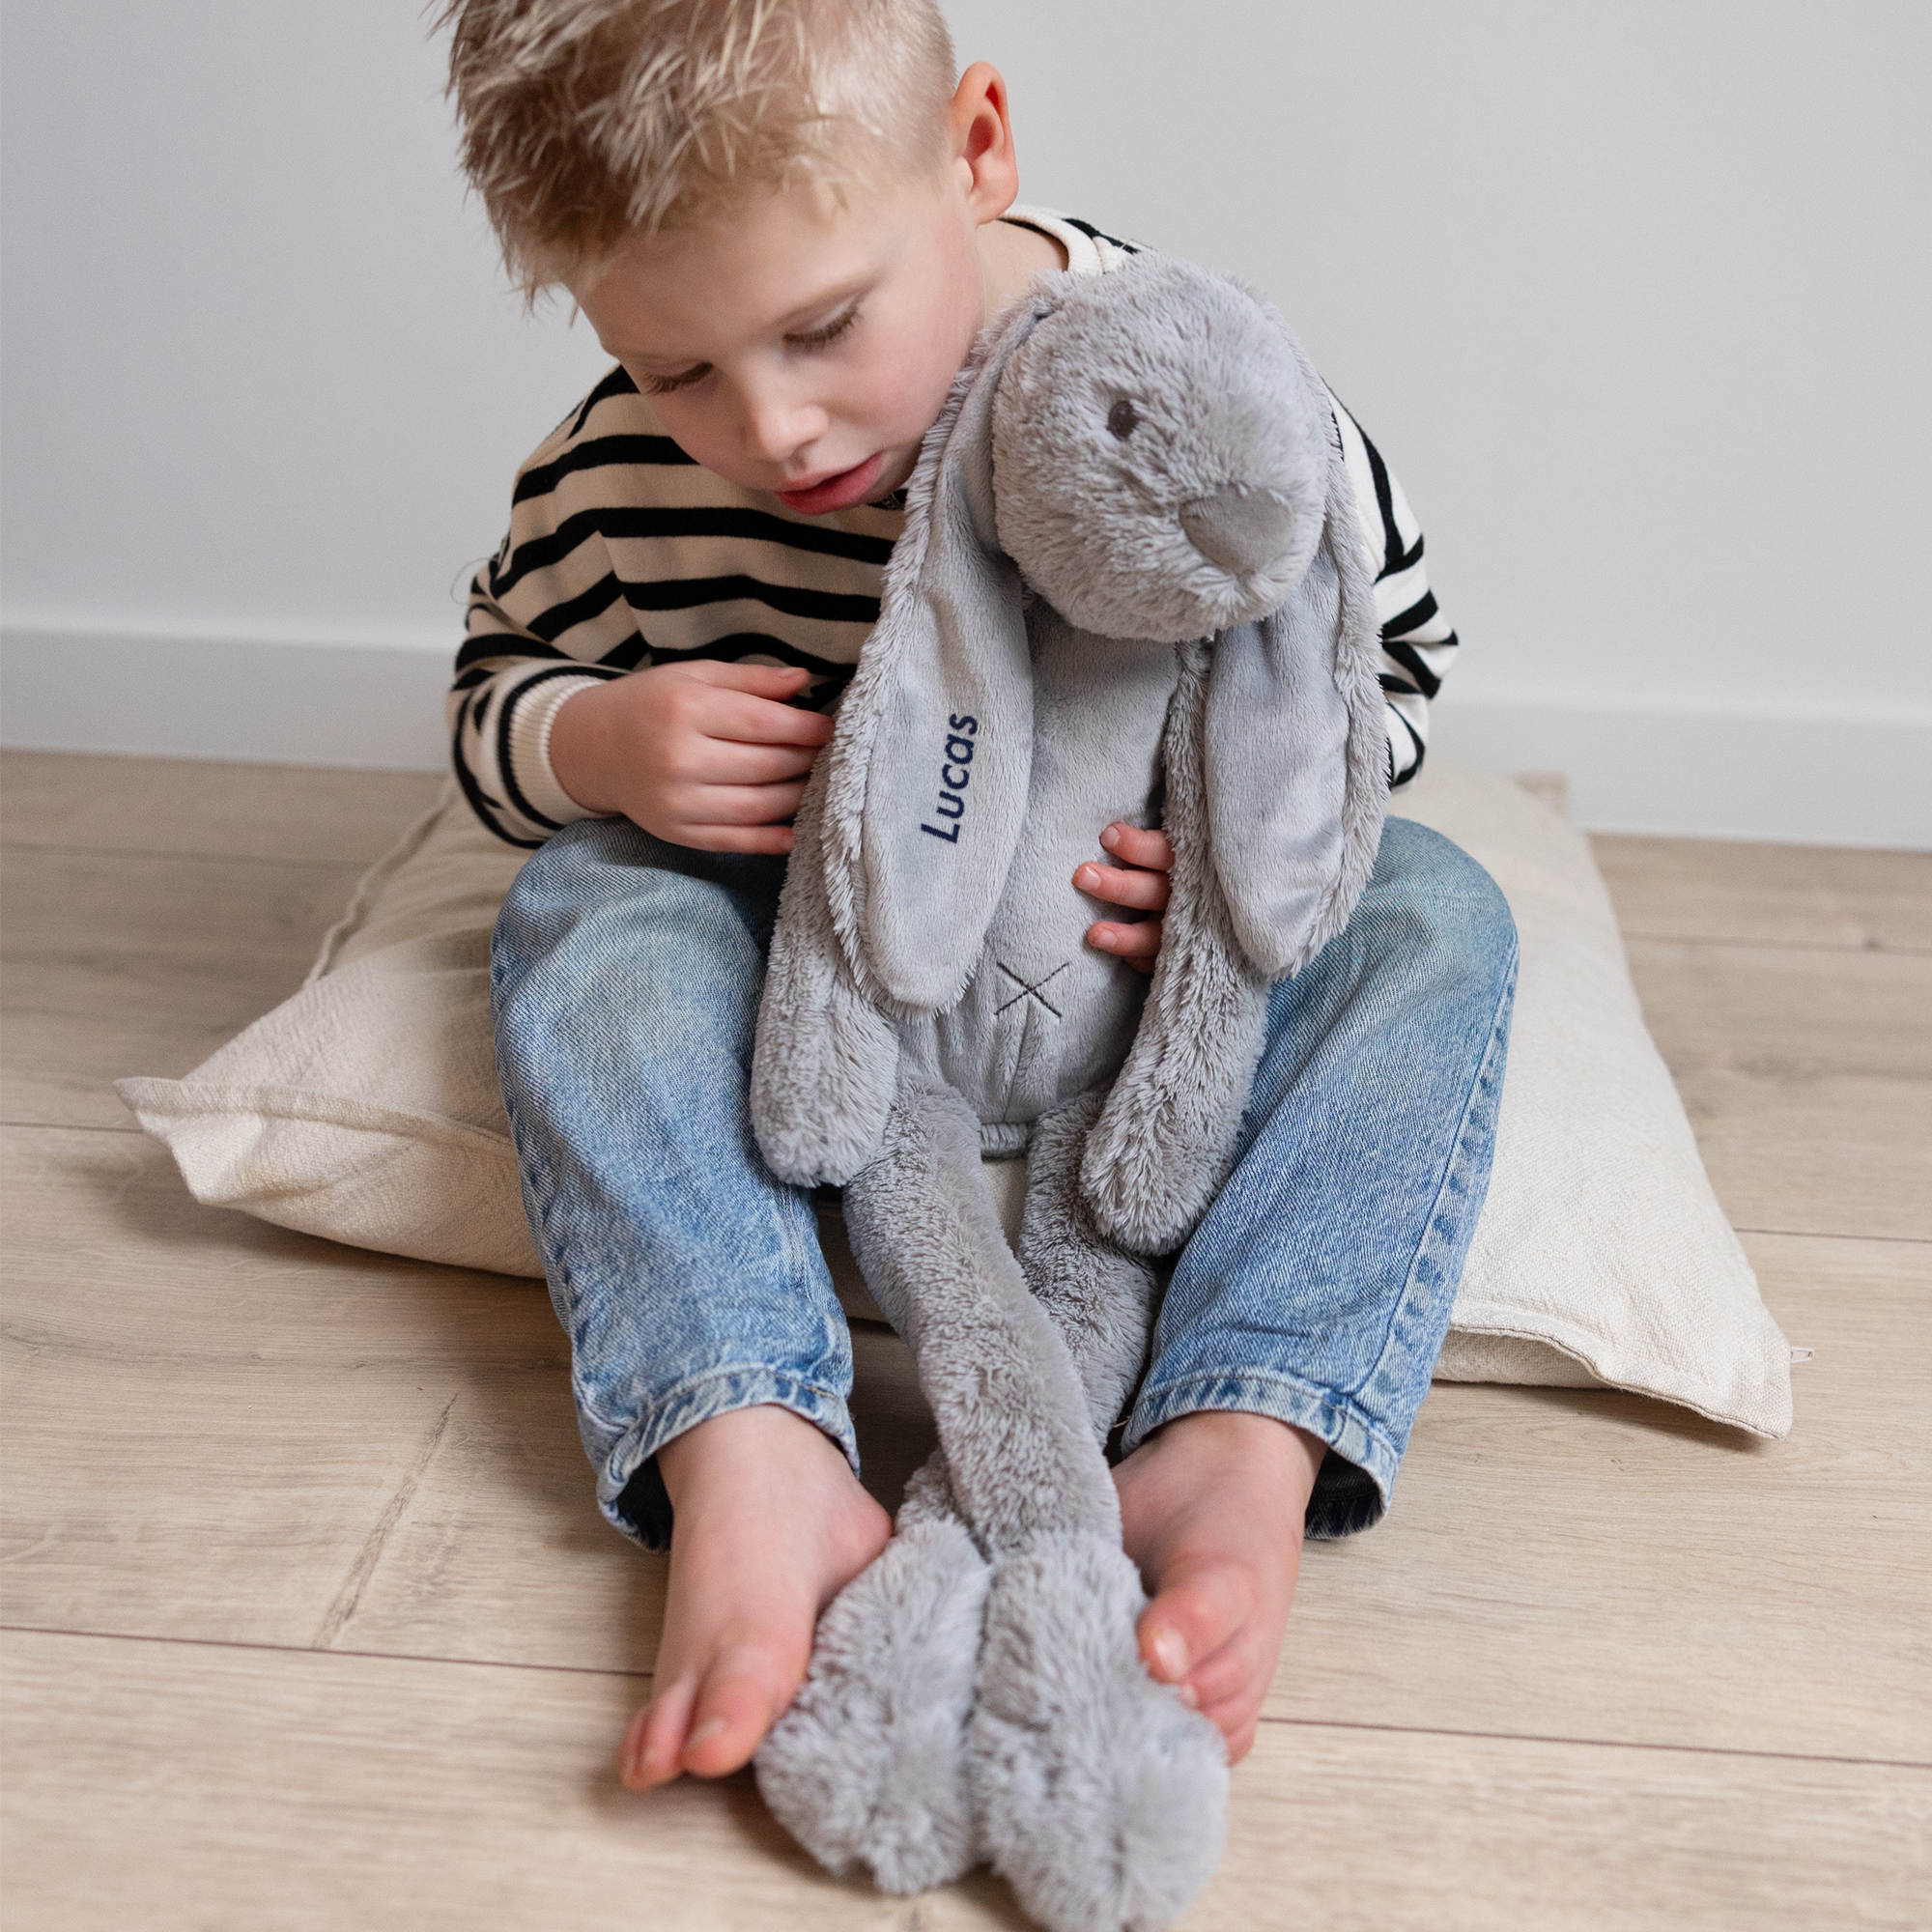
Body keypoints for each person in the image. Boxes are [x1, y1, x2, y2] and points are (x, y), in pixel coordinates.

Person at [441, 0, 1517, 1797]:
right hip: (824, 978)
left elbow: (1391, 660)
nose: (770, 428)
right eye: (679, 369)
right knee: (581, 908)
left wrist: (1253, 840)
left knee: (1436, 918)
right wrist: (594, 745)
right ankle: (746, 1426)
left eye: (822, 327)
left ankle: (1246, 1426)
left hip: (1143, 978)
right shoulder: (613, 477)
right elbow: (489, 700)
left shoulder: (1178, 392)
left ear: (979, 149)